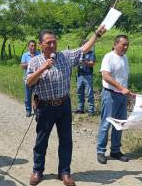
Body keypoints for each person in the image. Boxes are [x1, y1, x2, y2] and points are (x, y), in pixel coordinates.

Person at [24, 25, 107, 185]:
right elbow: (29, 83)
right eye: (48, 43)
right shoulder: (35, 62)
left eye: (54, 42)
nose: (52, 45)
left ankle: (64, 172)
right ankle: (37, 170)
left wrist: (96, 35)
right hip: (45, 106)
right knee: (41, 140)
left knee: (66, 140)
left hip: (64, 104)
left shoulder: (65, 56)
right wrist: (42, 69)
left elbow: (83, 49)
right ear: (41, 44)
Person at [97, 35, 131, 165]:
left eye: (127, 45)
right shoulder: (109, 57)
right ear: (115, 44)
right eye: (123, 45)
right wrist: (122, 88)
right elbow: (106, 76)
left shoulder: (125, 58)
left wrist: (125, 93)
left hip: (122, 96)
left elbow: (123, 77)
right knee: (106, 125)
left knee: (120, 124)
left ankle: (115, 150)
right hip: (110, 95)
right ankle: (100, 151)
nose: (126, 47)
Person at [75, 39, 97, 116]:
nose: (85, 46)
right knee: (79, 93)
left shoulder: (91, 53)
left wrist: (83, 61)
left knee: (89, 93)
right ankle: (80, 108)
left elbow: (92, 63)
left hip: (88, 75)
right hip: (79, 75)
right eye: (84, 44)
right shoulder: (79, 54)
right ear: (81, 45)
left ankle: (91, 109)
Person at [21, 40, 41, 117]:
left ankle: (36, 109)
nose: (33, 47)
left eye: (34, 45)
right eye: (31, 46)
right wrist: (31, 62)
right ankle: (28, 110)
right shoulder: (25, 55)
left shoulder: (39, 54)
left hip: (38, 78)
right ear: (28, 47)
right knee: (28, 96)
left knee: (37, 95)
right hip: (28, 79)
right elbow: (23, 66)